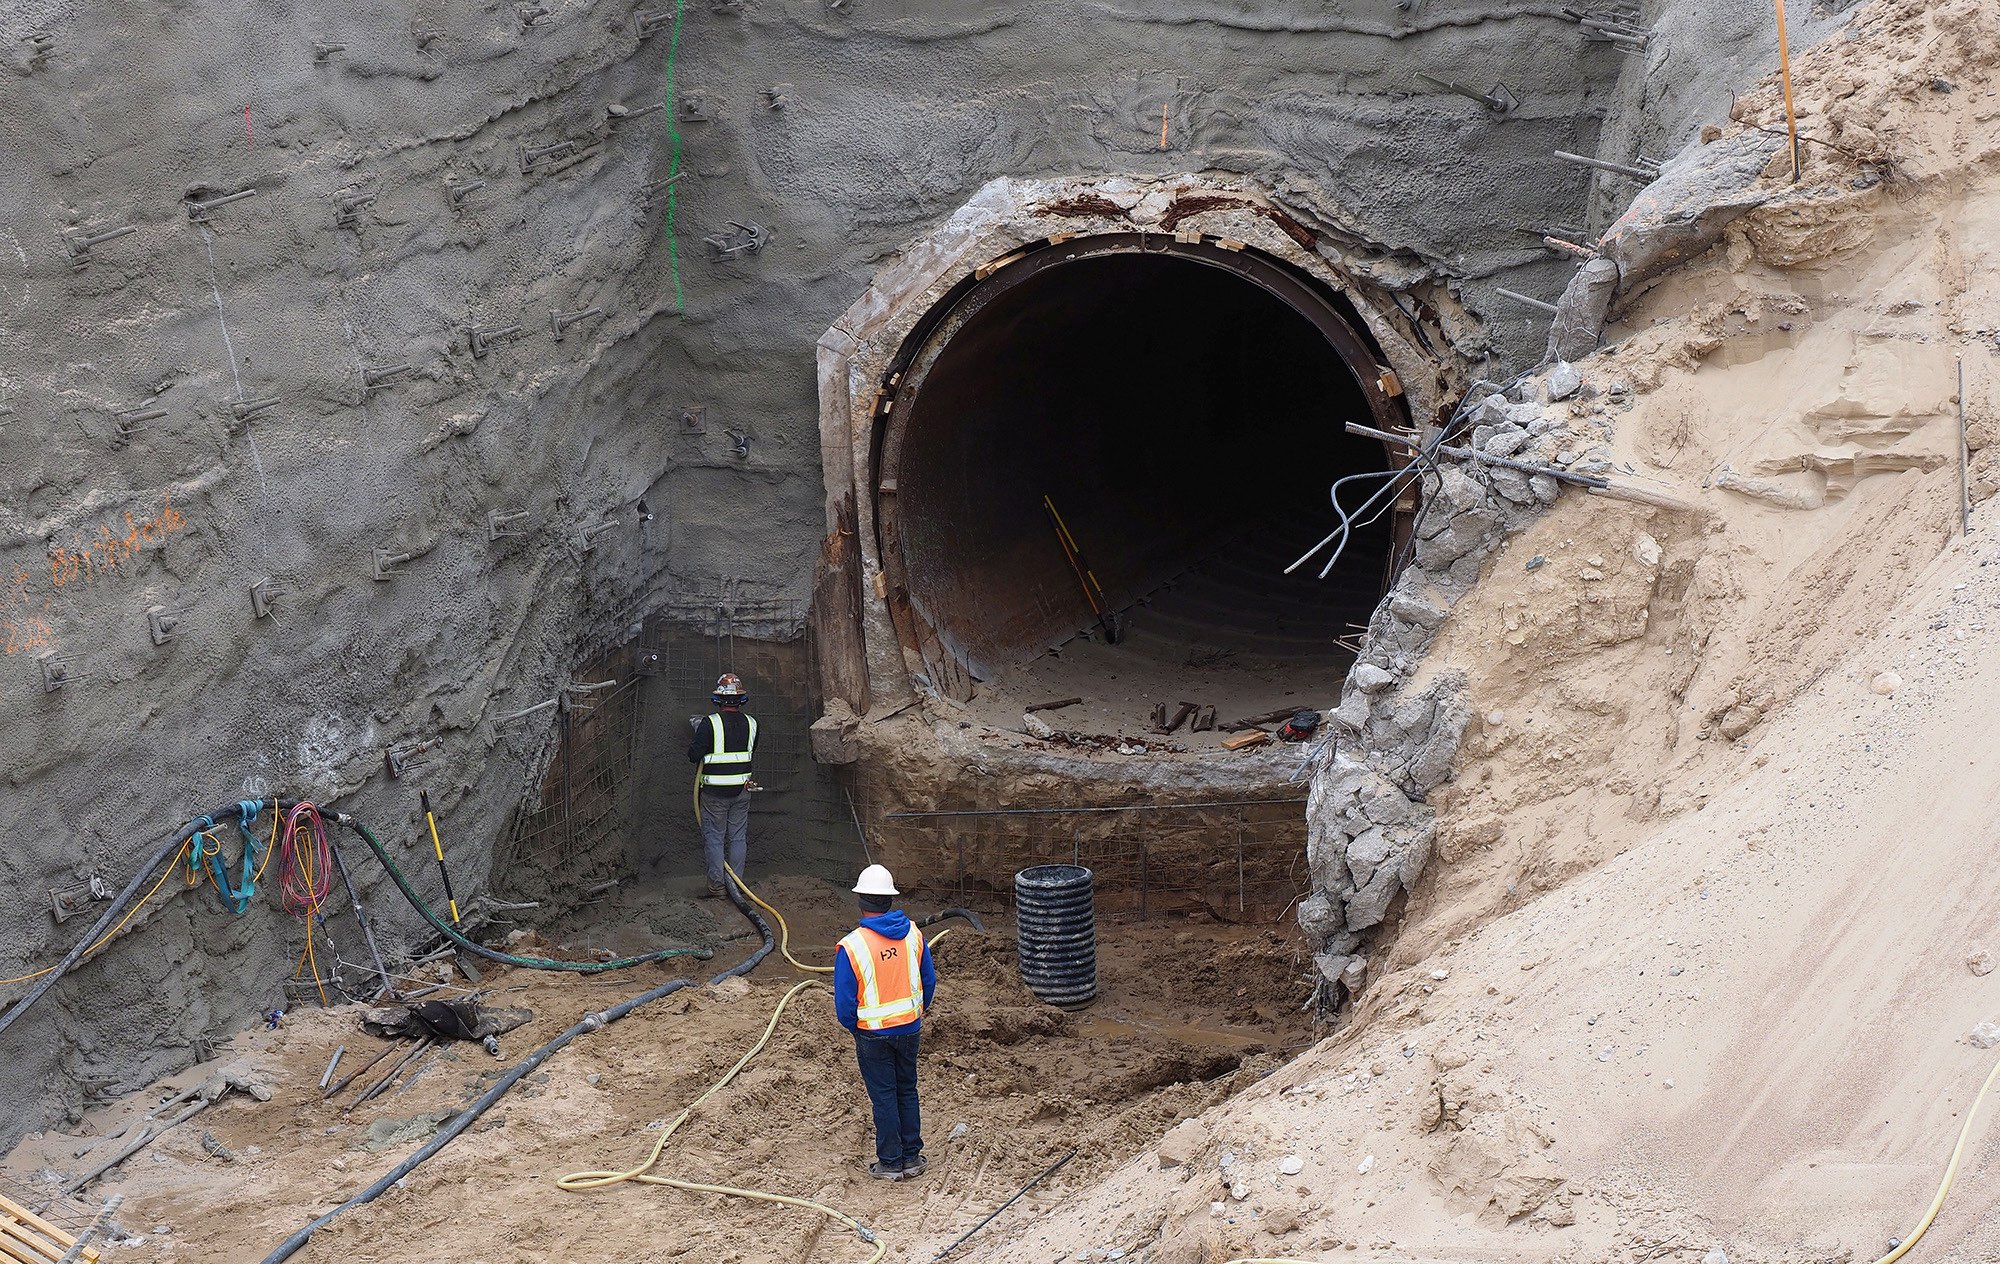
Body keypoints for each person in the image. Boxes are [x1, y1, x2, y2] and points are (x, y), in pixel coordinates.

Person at [835, 864, 937, 1181]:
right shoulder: (914, 935)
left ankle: (890, 1162)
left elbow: (845, 1004)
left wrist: (856, 1027)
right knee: (906, 1090)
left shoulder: (852, 946)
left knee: (884, 1096)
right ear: (889, 900)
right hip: (909, 1029)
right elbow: (929, 982)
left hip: (872, 1036)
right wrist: (914, 1013)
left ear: (861, 900)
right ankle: (911, 1157)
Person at [687, 673, 757, 898]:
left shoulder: (710, 723)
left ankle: (717, 886)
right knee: (737, 837)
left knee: (715, 836)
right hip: (742, 791)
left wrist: (700, 733)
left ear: (718, 699)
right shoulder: (752, 723)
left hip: (714, 794)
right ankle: (736, 886)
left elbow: (693, 755)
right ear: (741, 699)